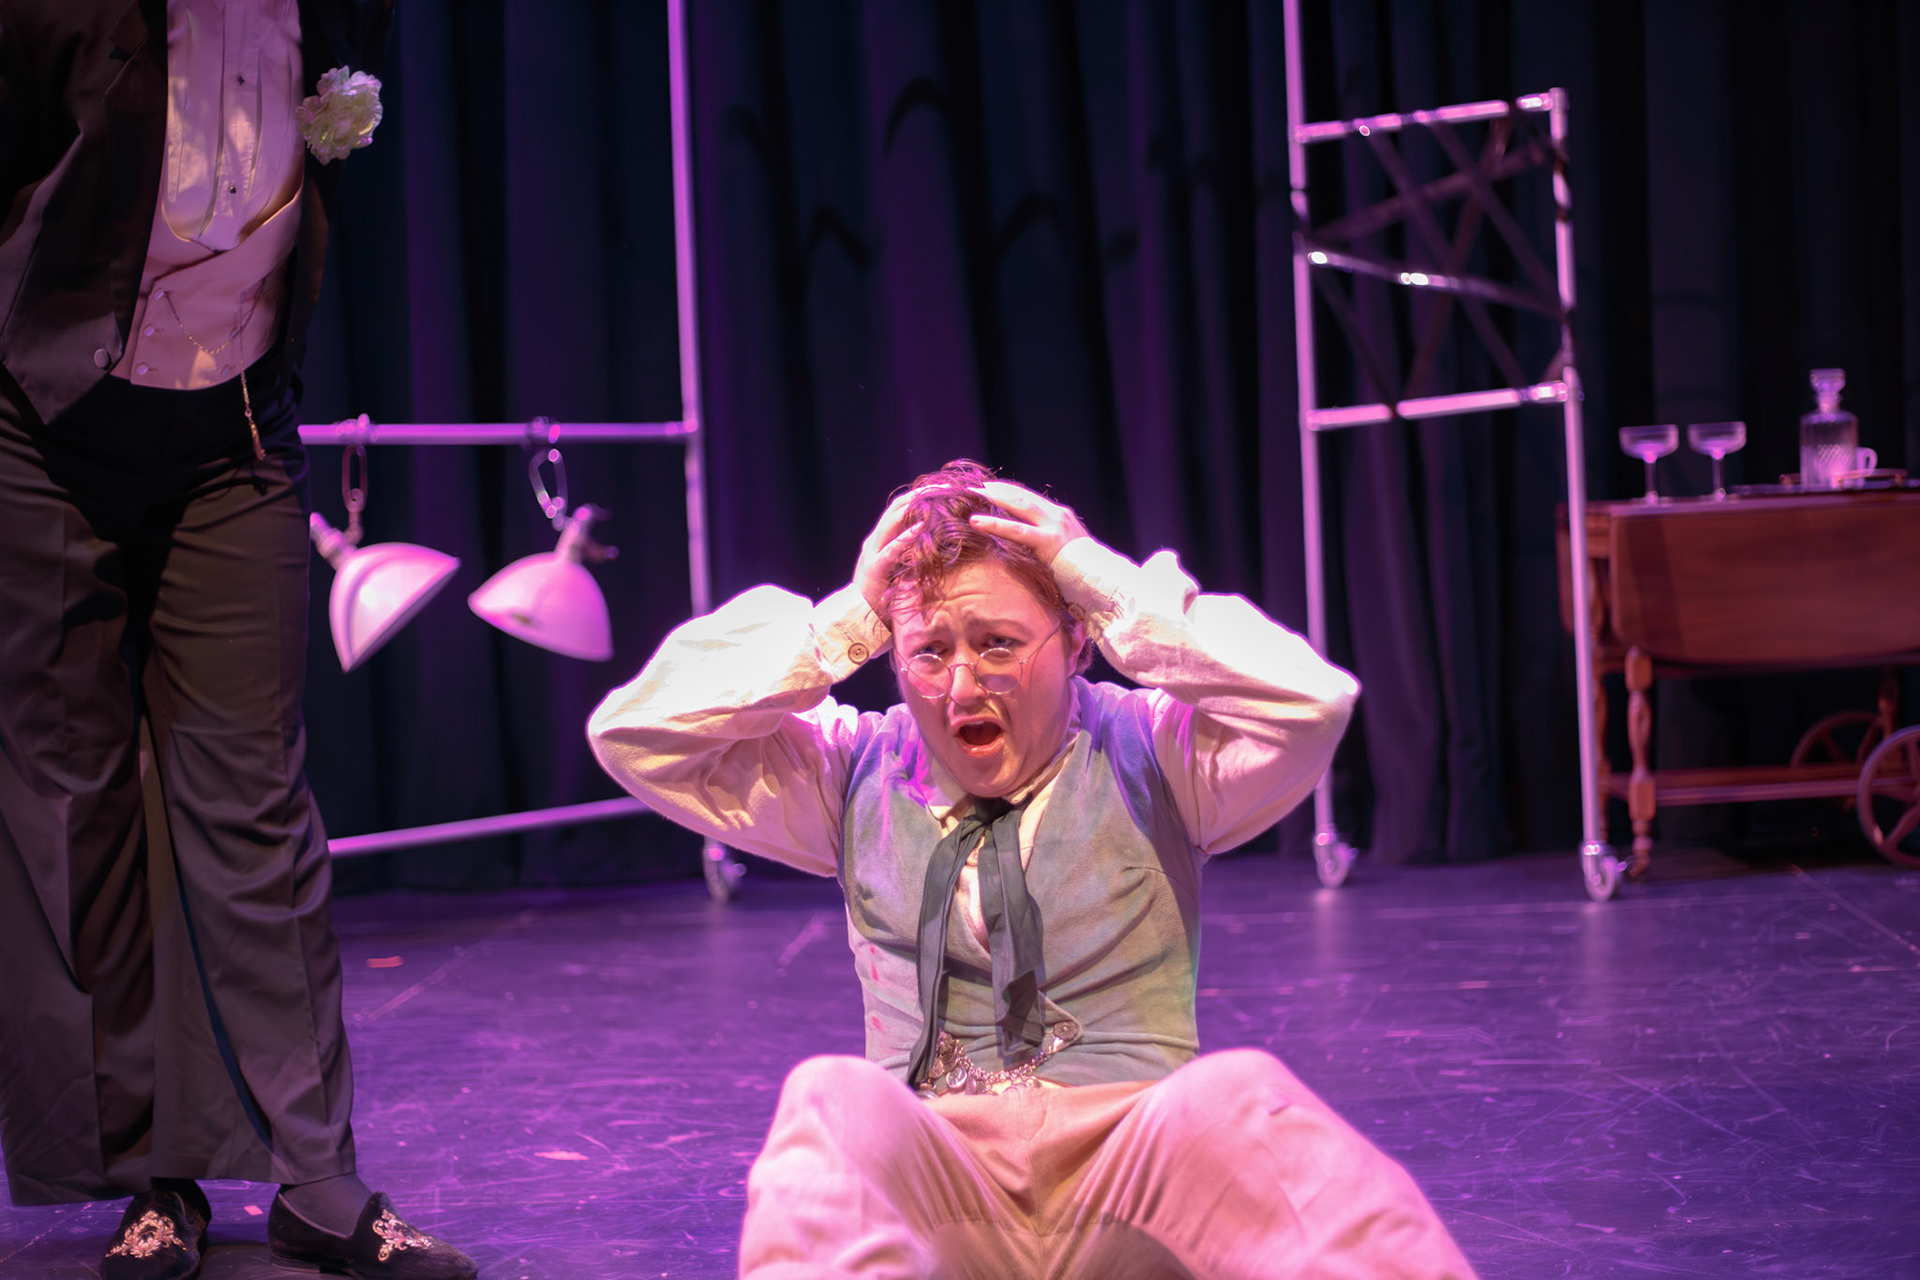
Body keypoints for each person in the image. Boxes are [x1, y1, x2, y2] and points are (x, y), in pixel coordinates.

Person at [588, 460, 1477, 1279]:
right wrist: (846, 621)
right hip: (944, 1191)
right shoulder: (846, 773)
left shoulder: (1157, 752)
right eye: (929, 652)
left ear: (1076, 642)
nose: (961, 686)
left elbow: (1314, 699)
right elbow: (632, 733)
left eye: (999, 644)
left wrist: (1103, 582)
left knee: (1242, 1095)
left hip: (1133, 1178)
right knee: (829, 1099)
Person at [0, 3, 475, 1277]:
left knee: (255, 793)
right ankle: (152, 1177)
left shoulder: (336, 9)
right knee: (78, 798)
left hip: (236, 425)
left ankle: (317, 1176)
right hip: (42, 425)